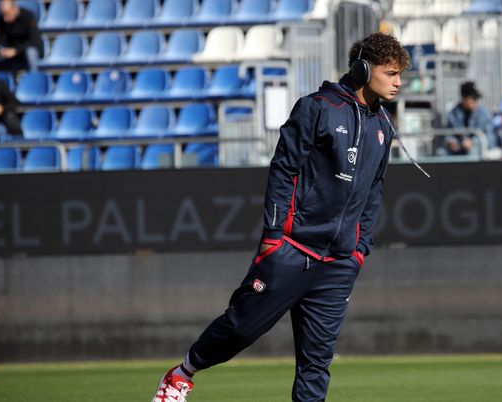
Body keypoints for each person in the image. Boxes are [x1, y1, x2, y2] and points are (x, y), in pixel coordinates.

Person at [152, 33, 412, 402]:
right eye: (391, 73)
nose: (399, 82)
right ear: (363, 69)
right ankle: (182, 374)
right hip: (291, 249)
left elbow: (374, 193)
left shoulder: (384, 128)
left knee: (317, 362)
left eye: (401, 74)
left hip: (338, 263)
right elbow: (283, 171)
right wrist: (275, 236)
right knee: (241, 329)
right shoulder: (316, 107)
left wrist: (358, 250)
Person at [437, 81, 498, 158]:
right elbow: (448, 134)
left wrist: (473, 142)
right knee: (441, 153)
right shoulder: (453, 113)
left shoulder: (483, 113)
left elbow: (491, 139)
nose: (475, 101)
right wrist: (451, 142)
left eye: (476, 98)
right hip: (459, 149)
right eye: (472, 98)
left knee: (471, 152)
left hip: (478, 149)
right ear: (464, 98)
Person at [0, 0, 44, 73]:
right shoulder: (1, 19)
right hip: (11, 50)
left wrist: (16, 50)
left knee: (30, 51)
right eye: (3, 14)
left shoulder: (28, 17)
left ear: (14, 8)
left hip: (26, 50)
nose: (5, 19)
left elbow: (34, 41)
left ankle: (34, 76)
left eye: (7, 14)